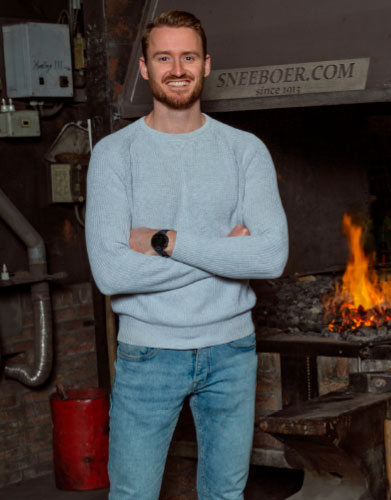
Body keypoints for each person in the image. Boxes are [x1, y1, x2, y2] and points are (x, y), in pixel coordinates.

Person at [85, 10, 288, 500]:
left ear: (207, 64)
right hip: (148, 352)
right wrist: (225, 255)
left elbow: (271, 258)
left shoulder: (245, 151)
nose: (178, 68)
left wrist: (166, 241)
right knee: (133, 495)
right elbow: (111, 273)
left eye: (188, 56)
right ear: (144, 68)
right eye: (164, 57)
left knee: (225, 495)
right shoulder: (115, 154)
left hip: (232, 351)